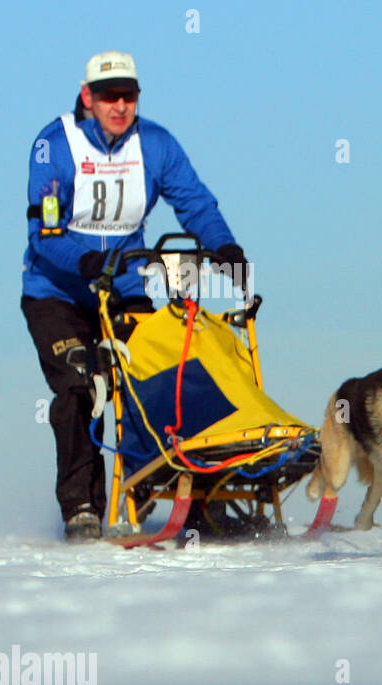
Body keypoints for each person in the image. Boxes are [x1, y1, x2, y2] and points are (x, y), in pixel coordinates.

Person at [21, 51, 248, 542]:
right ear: (88, 98)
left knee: (162, 376)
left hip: (123, 286)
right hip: (57, 292)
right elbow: (45, 231)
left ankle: (177, 494)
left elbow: (195, 202)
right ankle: (81, 505)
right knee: (81, 386)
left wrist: (225, 247)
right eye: (108, 97)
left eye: (128, 96)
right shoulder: (54, 144)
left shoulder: (156, 144)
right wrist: (86, 262)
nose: (119, 106)